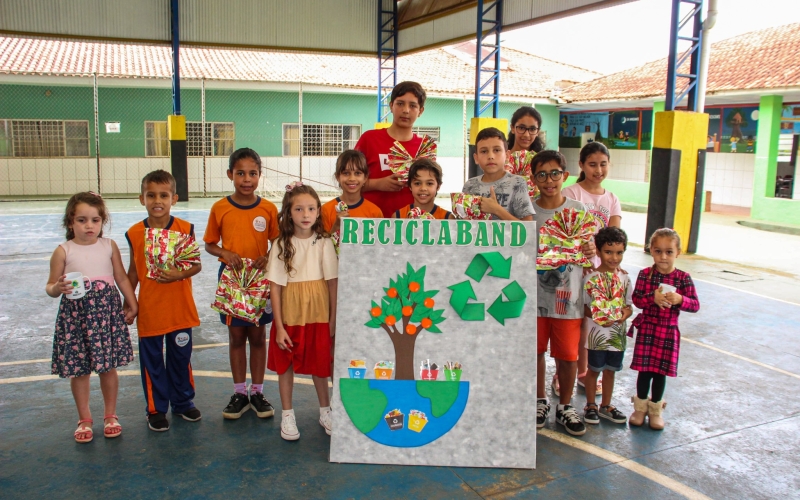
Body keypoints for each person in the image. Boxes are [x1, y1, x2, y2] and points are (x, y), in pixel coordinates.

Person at [46, 192, 137, 443]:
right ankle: (84, 418)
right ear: (70, 223)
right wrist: (58, 288)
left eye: (95, 220)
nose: (89, 226)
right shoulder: (63, 251)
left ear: (102, 222)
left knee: (108, 367)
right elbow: (51, 286)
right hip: (77, 318)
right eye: (82, 220)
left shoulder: (109, 246)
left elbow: (120, 277)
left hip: (106, 315)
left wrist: (132, 302)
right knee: (80, 370)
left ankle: (110, 415)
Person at [204, 148, 280, 420]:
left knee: (258, 337)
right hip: (232, 281)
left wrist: (267, 257)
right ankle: (239, 393)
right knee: (236, 337)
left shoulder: (268, 208)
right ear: (230, 175)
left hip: (260, 281)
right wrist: (224, 253)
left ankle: (257, 392)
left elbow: (278, 242)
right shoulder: (220, 208)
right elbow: (210, 244)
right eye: (240, 173)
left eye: (252, 173)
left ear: (260, 176)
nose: (246, 179)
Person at [124, 170, 202, 432]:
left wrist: (179, 274)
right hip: (150, 311)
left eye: (164, 195)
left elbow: (195, 265)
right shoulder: (135, 233)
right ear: (141, 199)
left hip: (179, 310)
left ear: (174, 198)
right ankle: (156, 409)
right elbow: (133, 271)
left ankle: (183, 402)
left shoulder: (184, 229)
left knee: (181, 358)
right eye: (151, 195)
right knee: (152, 362)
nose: (158, 200)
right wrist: (129, 301)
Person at [267, 183, 338, 441]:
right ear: (289, 212)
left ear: (319, 211)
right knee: (285, 363)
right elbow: (275, 286)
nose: (305, 214)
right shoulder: (280, 244)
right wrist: (279, 326)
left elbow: (332, 283)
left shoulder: (324, 242)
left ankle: (325, 410)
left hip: (318, 311)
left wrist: (332, 319)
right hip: (290, 312)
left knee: (321, 364)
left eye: (310, 208)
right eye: (299, 209)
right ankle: (287, 414)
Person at [532, 150, 596, 437]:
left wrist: (590, 251)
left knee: (569, 356)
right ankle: (539, 401)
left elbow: (590, 256)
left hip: (569, 298)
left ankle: (566, 406)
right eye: (542, 174)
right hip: (532, 298)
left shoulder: (579, 211)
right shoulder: (527, 213)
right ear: (533, 179)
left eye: (555, 173)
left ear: (565, 175)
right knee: (534, 352)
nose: (549, 180)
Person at [559, 142, 623, 397]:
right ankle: (565, 373)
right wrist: (585, 257)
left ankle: (586, 374)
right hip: (574, 269)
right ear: (582, 166)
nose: (598, 170)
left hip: (601, 273)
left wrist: (607, 265)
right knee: (574, 323)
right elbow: (565, 230)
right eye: (592, 164)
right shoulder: (572, 193)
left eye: (603, 164)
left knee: (593, 323)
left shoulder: (611, 199)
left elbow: (615, 236)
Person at [629, 228, 700, 430]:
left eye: (669, 252)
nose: (663, 256)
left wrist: (680, 299)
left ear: (678, 253)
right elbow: (636, 301)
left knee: (660, 373)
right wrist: (652, 298)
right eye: (658, 251)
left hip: (668, 331)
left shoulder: (683, 278)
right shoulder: (645, 275)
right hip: (648, 329)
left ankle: (655, 410)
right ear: (651, 250)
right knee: (644, 370)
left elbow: (695, 305)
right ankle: (640, 407)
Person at [582, 227, 633, 425]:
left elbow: (628, 306)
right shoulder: (590, 278)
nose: (614, 257)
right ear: (598, 251)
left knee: (610, 370)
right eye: (608, 252)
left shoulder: (625, 278)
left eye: (619, 252)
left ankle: (606, 405)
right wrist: (599, 315)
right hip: (597, 335)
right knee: (593, 370)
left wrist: (622, 316)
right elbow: (584, 307)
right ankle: (590, 405)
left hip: (617, 335)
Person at [357, 81, 427, 217]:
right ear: (391, 106)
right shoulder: (369, 139)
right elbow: (348, 181)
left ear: (420, 111)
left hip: (409, 225)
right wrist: (378, 184)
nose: (406, 110)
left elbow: (430, 189)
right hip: (369, 223)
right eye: (400, 104)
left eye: (413, 105)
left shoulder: (424, 148)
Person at [462, 128, 535, 221]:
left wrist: (497, 210)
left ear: (507, 155)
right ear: (476, 158)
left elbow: (528, 228)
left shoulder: (517, 183)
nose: (491, 156)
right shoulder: (470, 185)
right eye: (484, 151)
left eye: (496, 150)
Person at [321, 150, 382, 234]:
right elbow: (322, 244)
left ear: (365, 178)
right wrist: (337, 226)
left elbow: (378, 246)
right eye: (346, 173)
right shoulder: (326, 210)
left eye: (357, 173)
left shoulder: (375, 212)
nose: (352, 178)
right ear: (337, 177)